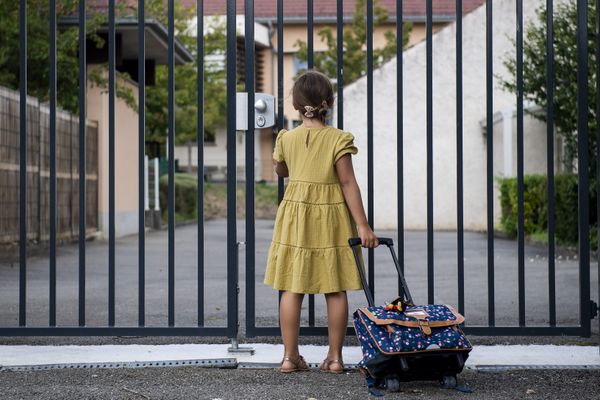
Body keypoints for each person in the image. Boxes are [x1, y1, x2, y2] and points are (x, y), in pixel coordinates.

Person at [263, 70, 379, 374]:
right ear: (327, 103)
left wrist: (285, 157)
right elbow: (347, 183)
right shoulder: (339, 139)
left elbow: (280, 171)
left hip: (296, 216)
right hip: (331, 216)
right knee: (335, 286)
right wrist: (363, 226)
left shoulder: (286, 138)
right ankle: (335, 358)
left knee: (291, 286)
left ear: (296, 105)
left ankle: (290, 357)